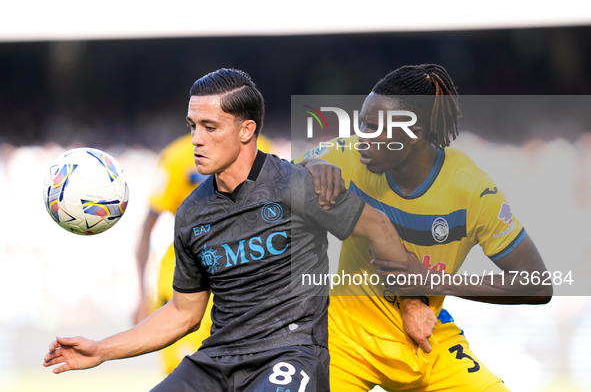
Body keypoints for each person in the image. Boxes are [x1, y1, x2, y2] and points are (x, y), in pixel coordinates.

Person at [43, 68, 431, 391]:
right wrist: (101, 350)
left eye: (210, 127)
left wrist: (412, 305)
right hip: (217, 361)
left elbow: (378, 227)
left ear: (246, 130)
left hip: (290, 354)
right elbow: (183, 313)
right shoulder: (192, 213)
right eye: (193, 125)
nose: (196, 139)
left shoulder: (299, 184)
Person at [297, 64, 552, 391]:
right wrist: (311, 165)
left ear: (414, 133)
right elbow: (275, 178)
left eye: (377, 129)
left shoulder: (471, 191)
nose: (363, 138)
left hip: (425, 339)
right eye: (362, 124)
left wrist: (432, 281)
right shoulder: (345, 156)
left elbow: (537, 285)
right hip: (346, 337)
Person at [134, 130, 272, 375]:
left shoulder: (263, 149)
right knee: (187, 378)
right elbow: (147, 229)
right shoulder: (176, 158)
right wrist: (142, 295)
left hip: (242, 284)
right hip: (184, 286)